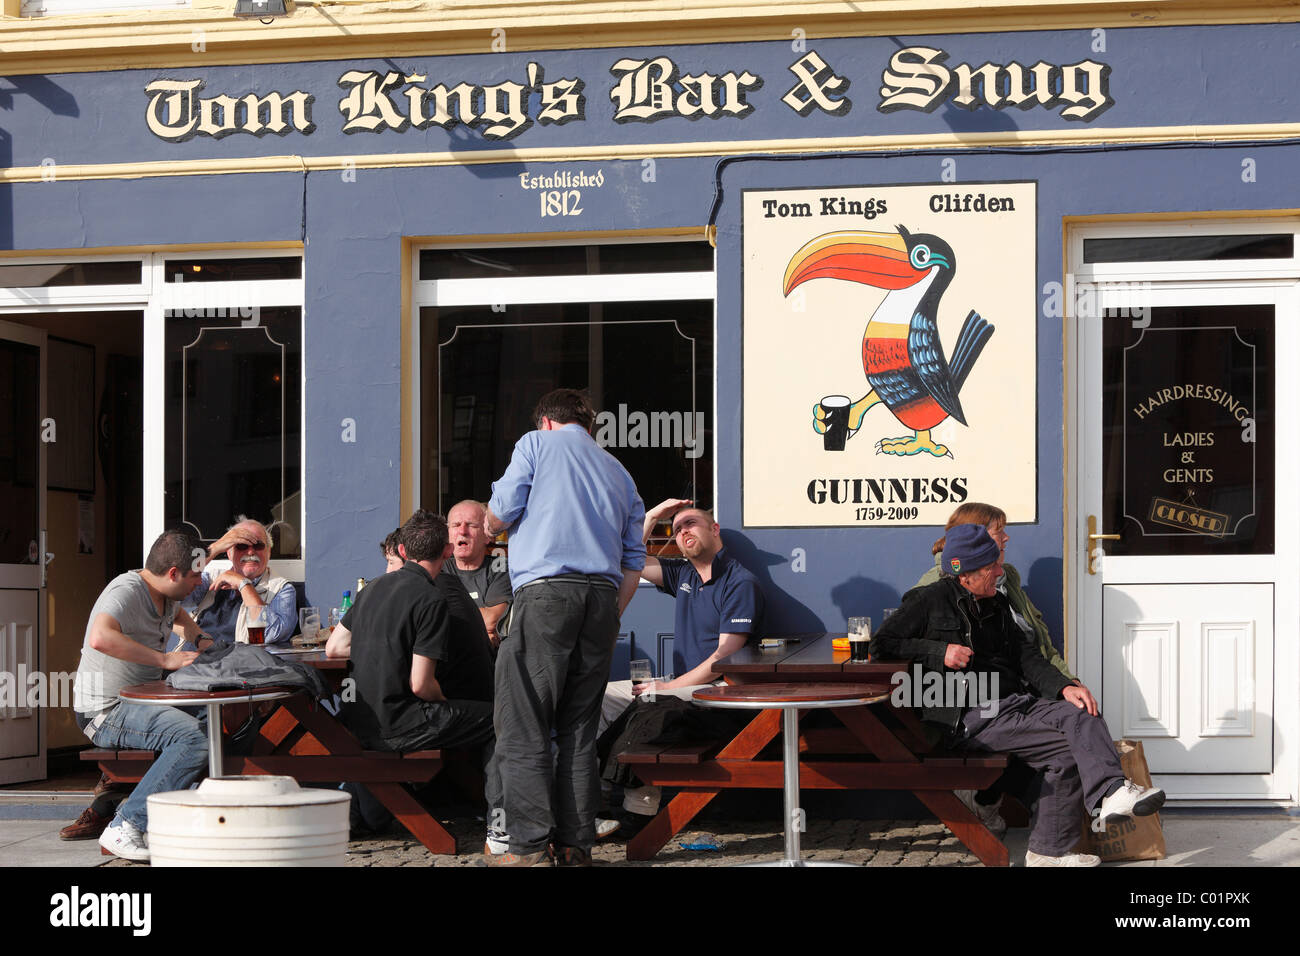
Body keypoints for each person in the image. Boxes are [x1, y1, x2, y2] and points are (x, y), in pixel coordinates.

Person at [874, 524, 1165, 867]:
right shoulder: (928, 600)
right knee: (1070, 749)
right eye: (990, 568)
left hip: (1014, 704)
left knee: (1082, 712)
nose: (1000, 572)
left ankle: (1092, 812)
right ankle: (1065, 836)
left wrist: (1065, 686)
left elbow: (1029, 657)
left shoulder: (997, 604)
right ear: (964, 574)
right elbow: (883, 644)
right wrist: (939, 652)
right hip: (969, 714)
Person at [483, 388, 645, 866]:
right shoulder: (620, 471)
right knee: (578, 729)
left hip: (547, 593)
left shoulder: (535, 445)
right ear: (588, 427)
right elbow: (634, 561)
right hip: (601, 600)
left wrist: (493, 522)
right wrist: (611, 613)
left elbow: (497, 516)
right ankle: (576, 847)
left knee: (524, 724)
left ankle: (529, 849)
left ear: (546, 422)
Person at [914, 502, 1099, 834]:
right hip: (973, 704)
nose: (1008, 537)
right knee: (1062, 738)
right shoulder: (936, 583)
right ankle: (1005, 806)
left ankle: (1054, 823)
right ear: (978, 537)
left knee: (1081, 715)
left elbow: (1036, 641)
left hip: (1022, 689)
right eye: (1000, 530)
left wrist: (1065, 681)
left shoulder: (1007, 577)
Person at [328, 511, 499, 840]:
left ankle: (371, 816)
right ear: (447, 552)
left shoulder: (371, 589)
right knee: (501, 718)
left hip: (358, 720)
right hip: (399, 725)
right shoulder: (432, 598)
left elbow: (335, 648)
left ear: (402, 551)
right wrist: (445, 702)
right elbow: (421, 684)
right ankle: (501, 823)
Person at [598, 498, 764, 822]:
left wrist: (669, 686)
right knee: (600, 697)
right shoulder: (682, 574)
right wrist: (652, 517)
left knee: (652, 706)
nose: (682, 531)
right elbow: (624, 557)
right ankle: (596, 803)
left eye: (690, 524)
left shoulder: (739, 581)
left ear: (714, 530)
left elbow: (725, 655)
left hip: (718, 690)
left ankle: (639, 814)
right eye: (675, 530)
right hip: (680, 686)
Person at [71, 529, 212, 861]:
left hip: (141, 702)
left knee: (223, 719)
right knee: (194, 739)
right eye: (195, 577)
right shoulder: (125, 590)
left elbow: (177, 617)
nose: (199, 584)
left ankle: (196, 816)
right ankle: (126, 825)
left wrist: (199, 636)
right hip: (105, 711)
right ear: (173, 573)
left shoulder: (167, 595)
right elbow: (100, 637)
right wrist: (165, 659)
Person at [180, 519, 297, 646]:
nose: (251, 552)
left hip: (233, 663)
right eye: (242, 546)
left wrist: (243, 584)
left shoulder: (281, 589)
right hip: (190, 660)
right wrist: (215, 548)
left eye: (258, 546)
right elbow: (175, 587)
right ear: (229, 553)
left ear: (268, 552)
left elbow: (270, 635)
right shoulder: (211, 578)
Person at [443, 499, 512, 650]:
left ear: (487, 535)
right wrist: (482, 633)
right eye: (455, 525)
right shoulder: (439, 569)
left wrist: (447, 616)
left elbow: (492, 620)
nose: (462, 531)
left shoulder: (500, 566)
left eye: (471, 525)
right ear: (448, 534)